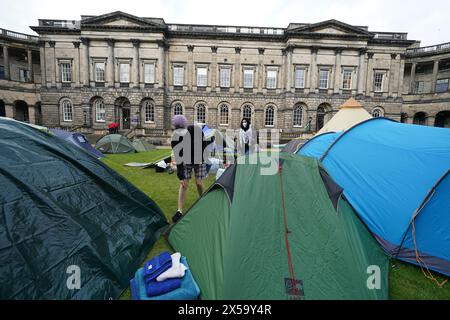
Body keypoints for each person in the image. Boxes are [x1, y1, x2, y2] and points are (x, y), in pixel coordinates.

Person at [171, 115, 209, 223]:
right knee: (183, 185)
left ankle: (203, 201)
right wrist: (181, 175)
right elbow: (178, 158)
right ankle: (179, 211)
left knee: (199, 184)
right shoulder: (175, 138)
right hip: (185, 161)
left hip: (199, 159)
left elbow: (204, 145)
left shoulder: (196, 131)